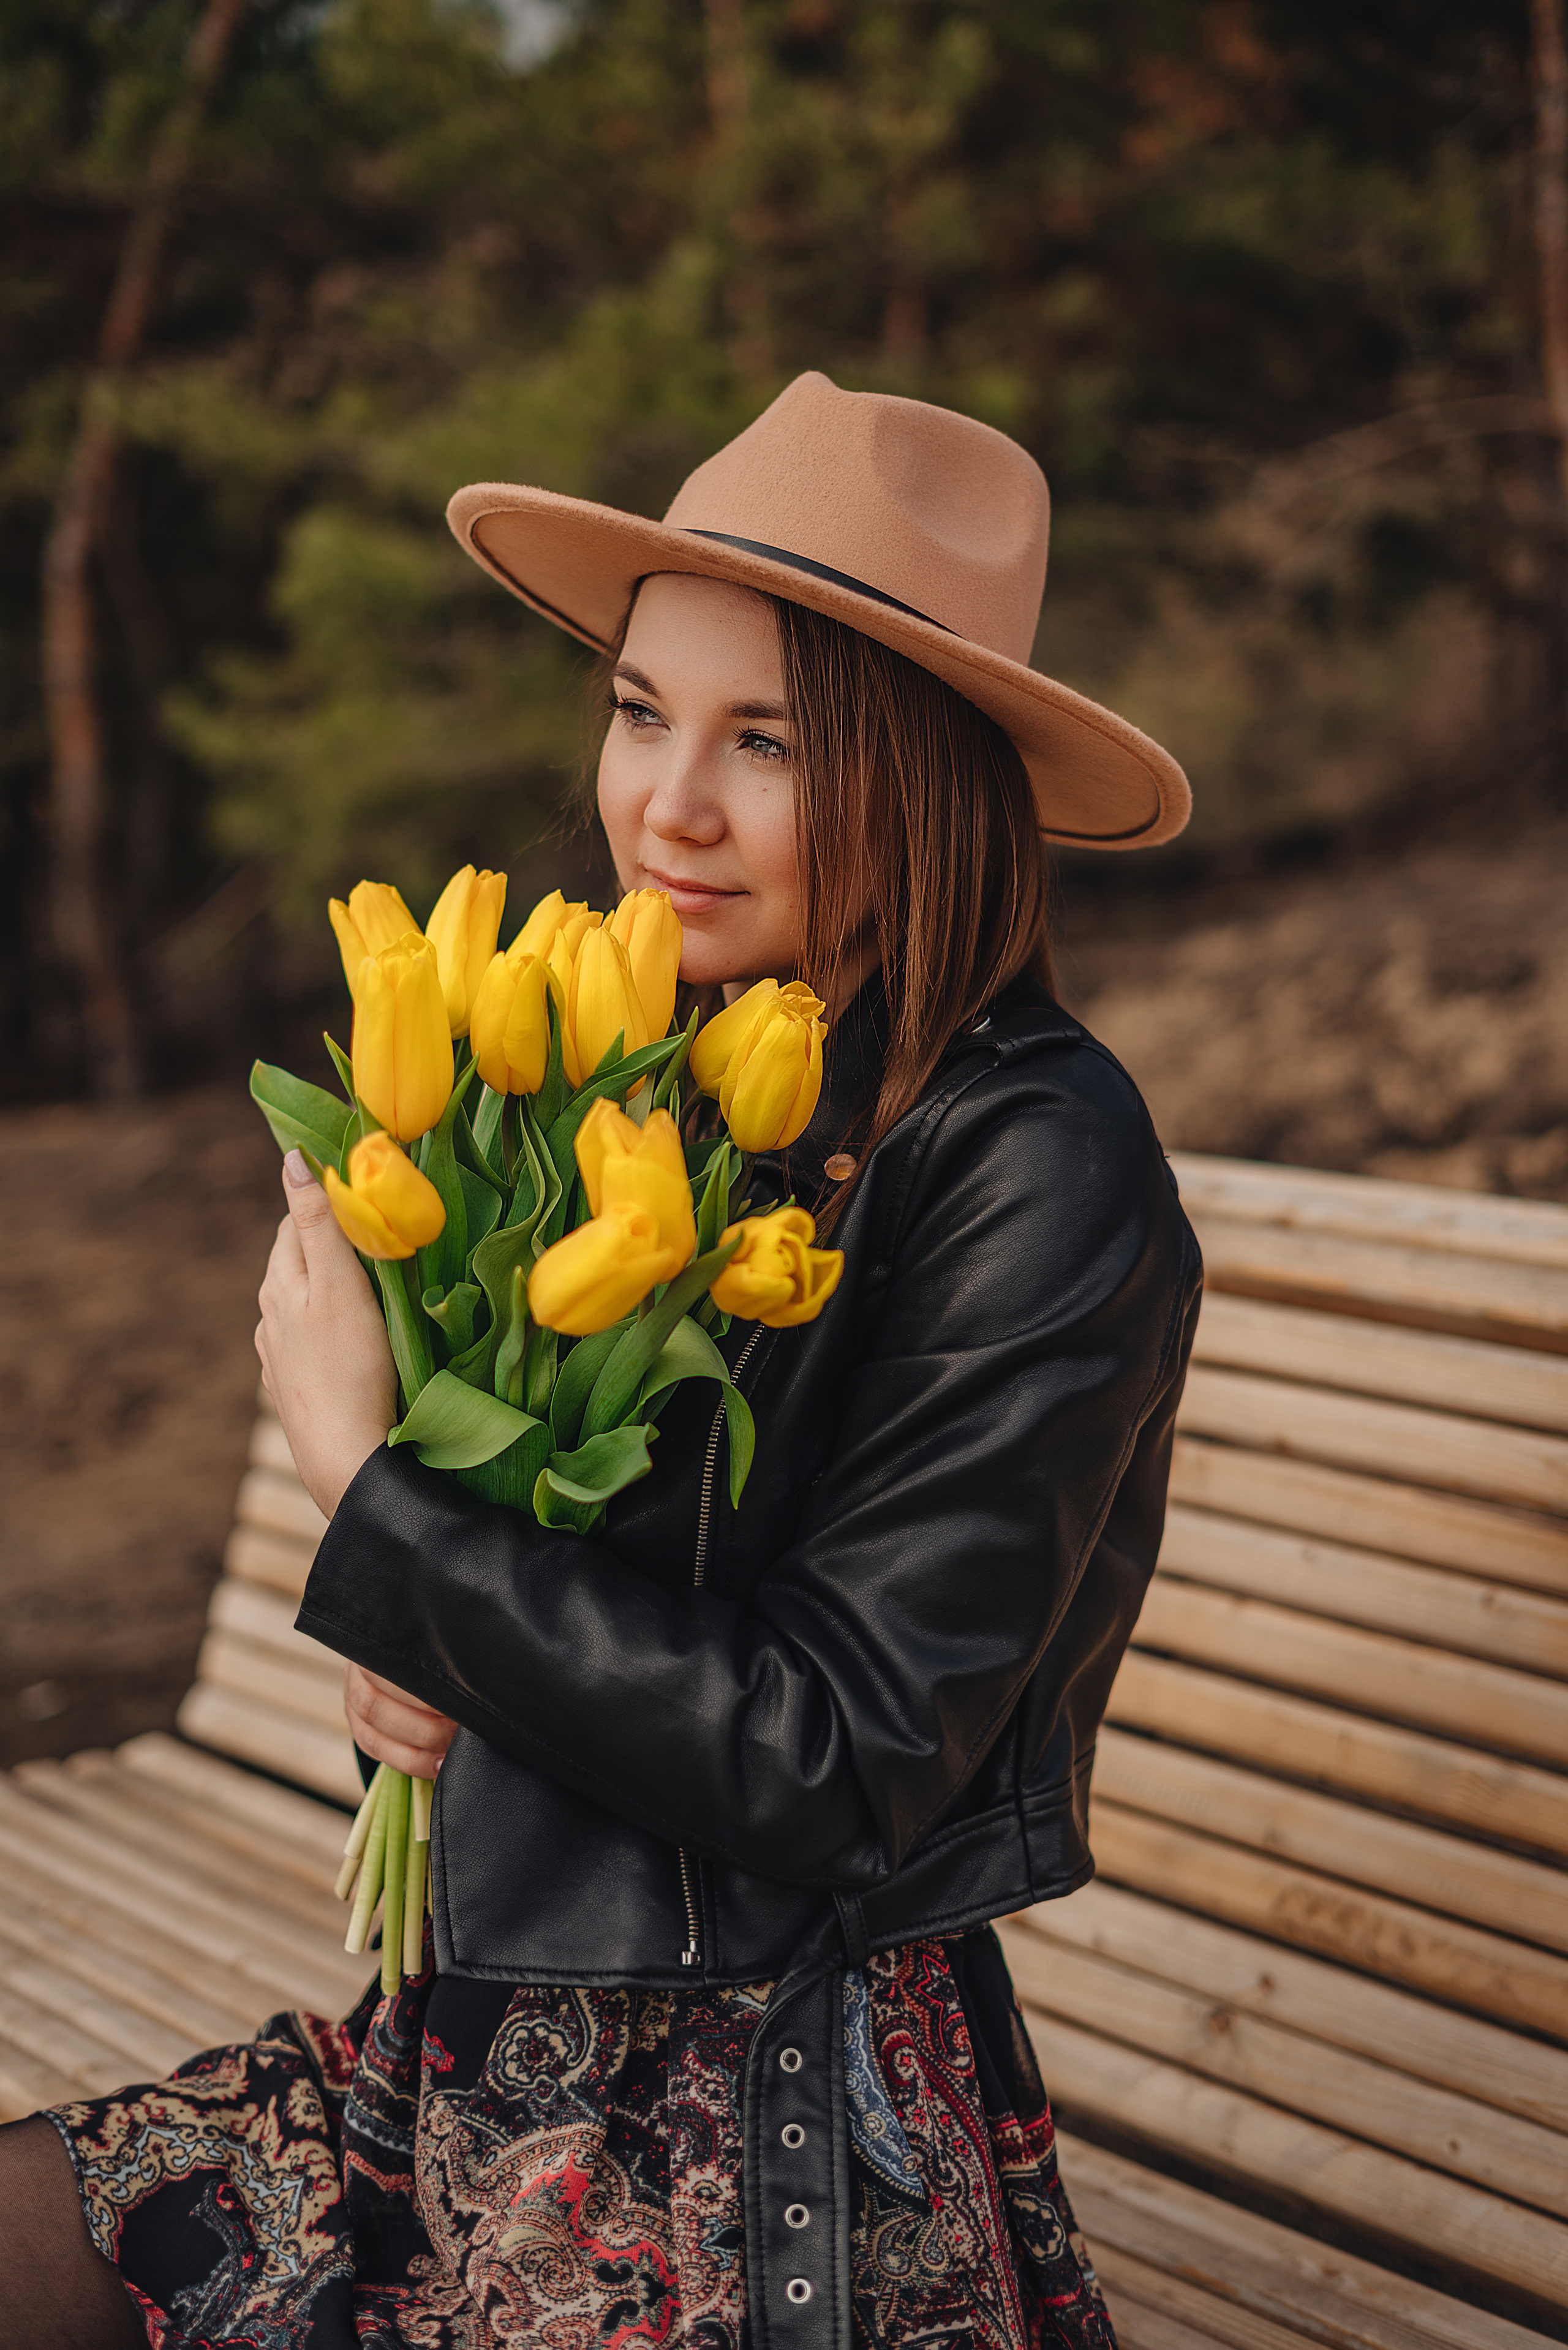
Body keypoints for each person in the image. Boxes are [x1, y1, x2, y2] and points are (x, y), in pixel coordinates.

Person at [0, 371, 1201, 2349]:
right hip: (456, 2036)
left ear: (927, 776)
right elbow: (593, 1595)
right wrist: (429, 1659)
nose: (666, 806)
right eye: (643, 711)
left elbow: (835, 1758)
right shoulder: (643, 1061)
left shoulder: (1041, 1167)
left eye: (769, 744)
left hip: (764, 2116)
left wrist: (373, 1500)